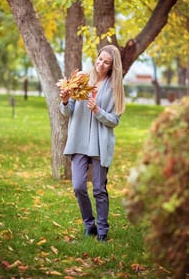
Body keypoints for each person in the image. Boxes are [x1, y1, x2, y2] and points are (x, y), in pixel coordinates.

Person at [59, 45, 125, 241]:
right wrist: (64, 101)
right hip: (78, 140)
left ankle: (103, 231)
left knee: (99, 189)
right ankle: (90, 225)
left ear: (113, 66)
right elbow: (67, 111)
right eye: (99, 59)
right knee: (79, 186)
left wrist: (97, 111)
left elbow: (114, 121)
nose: (100, 64)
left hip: (99, 144)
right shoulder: (82, 79)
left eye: (106, 62)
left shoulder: (115, 88)